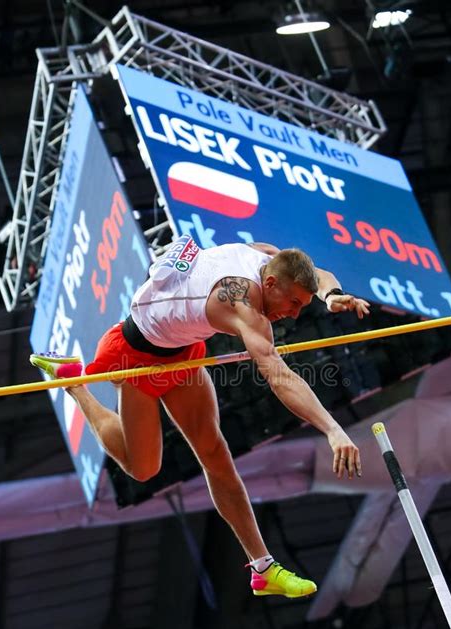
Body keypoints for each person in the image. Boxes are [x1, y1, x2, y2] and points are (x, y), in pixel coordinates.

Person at [31, 238, 370, 599]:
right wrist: (333, 429)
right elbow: (280, 377)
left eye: (302, 305)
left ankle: (263, 569)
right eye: (292, 304)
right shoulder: (239, 303)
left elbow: (316, 273)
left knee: (216, 455)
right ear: (270, 285)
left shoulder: (269, 258)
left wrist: (331, 295)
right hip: (135, 354)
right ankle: (73, 382)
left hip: (182, 351)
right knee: (143, 468)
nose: (295, 314)